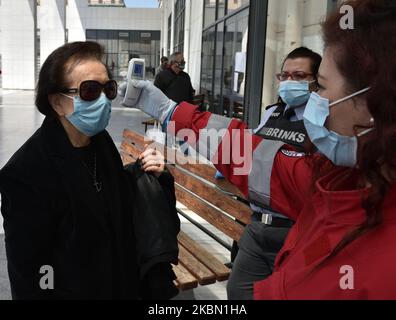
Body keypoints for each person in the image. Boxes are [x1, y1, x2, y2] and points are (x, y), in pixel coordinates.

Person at [120, 0, 396, 299]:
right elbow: (253, 155)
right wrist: (170, 111)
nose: (315, 99)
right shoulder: (342, 179)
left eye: (323, 87)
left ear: (374, 105)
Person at [0, 42, 178, 300]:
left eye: (109, 88)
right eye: (90, 90)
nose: (104, 99)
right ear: (58, 103)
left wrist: (147, 172)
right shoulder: (25, 175)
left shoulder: (99, 141)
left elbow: (111, 194)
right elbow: (32, 274)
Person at [226, 47, 322, 300]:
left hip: (298, 232)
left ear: (316, 82)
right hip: (258, 227)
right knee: (238, 294)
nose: (290, 82)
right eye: (285, 76)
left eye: (299, 76)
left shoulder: (327, 123)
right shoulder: (272, 113)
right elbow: (250, 153)